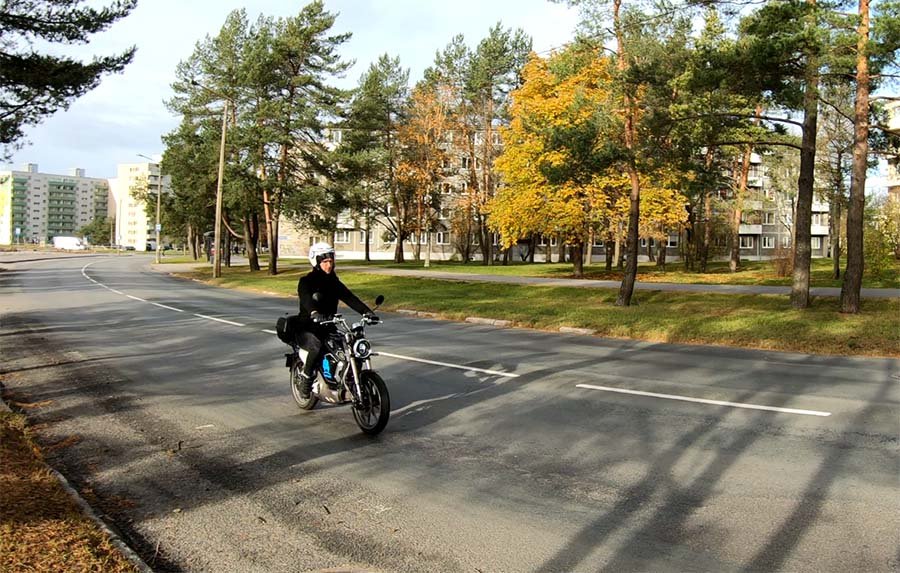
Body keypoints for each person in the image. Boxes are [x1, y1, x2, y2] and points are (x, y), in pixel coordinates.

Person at [293, 242, 375, 398]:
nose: (328, 265)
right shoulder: (306, 281)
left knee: (349, 344)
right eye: (324, 262)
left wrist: (367, 312)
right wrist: (314, 312)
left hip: (328, 326)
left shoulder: (334, 282)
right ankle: (306, 379)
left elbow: (349, 297)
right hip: (307, 327)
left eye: (331, 261)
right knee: (316, 346)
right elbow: (306, 299)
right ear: (316, 262)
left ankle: (349, 380)